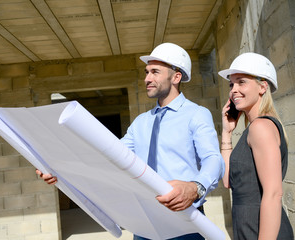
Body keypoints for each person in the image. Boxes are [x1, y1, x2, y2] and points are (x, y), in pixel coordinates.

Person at [37, 42, 225, 240]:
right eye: (146, 72)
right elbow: (106, 157)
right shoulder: (141, 123)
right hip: (145, 225)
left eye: (155, 72)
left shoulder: (196, 114)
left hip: (184, 222)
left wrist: (195, 187)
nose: (147, 79)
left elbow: (213, 159)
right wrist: (60, 169)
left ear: (176, 76)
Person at [218, 52, 294, 240]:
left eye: (241, 82)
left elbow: (274, 193)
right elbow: (228, 181)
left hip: (262, 230)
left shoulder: (260, 127)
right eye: (231, 84)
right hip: (248, 227)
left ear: (262, 87)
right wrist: (226, 132)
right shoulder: (253, 128)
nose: (233, 90)